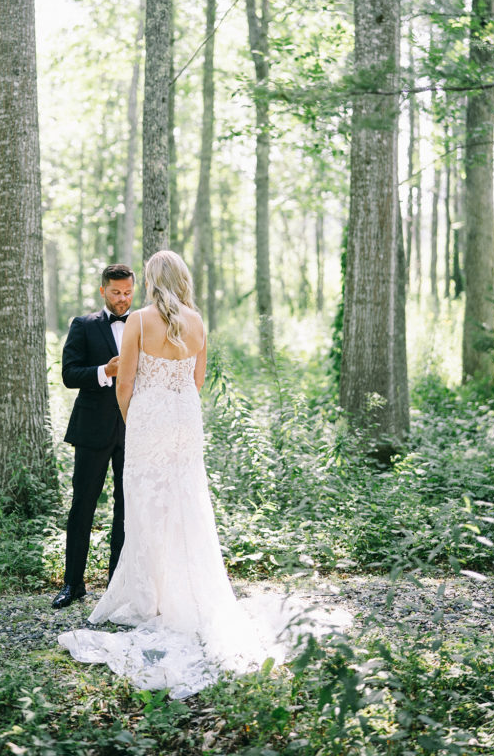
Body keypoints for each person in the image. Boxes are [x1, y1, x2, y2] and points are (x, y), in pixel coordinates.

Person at [58, 250, 350, 696]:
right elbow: (197, 379)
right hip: (184, 418)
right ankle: (183, 591)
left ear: (151, 280)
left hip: (150, 419)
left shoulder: (138, 320)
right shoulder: (196, 321)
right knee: (185, 502)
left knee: (143, 504)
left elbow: (126, 383)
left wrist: (136, 417)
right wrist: (174, 406)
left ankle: (147, 596)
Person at [51, 263, 135, 610]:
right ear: (103, 291)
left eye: (128, 293)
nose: (122, 300)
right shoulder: (83, 325)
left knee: (126, 509)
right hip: (91, 429)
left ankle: (117, 584)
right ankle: (73, 584)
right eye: (116, 293)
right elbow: (69, 374)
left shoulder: (143, 324)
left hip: (133, 428)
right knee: (82, 506)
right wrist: (105, 371)